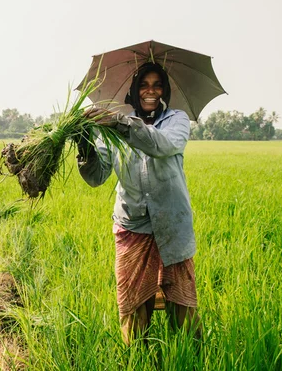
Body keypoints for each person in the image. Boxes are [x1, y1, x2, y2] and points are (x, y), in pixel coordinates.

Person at [77, 62, 201, 345]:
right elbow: (97, 176)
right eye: (144, 85)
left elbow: (163, 146)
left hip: (172, 223)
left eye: (157, 85)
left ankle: (190, 358)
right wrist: (84, 144)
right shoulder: (111, 127)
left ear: (165, 91)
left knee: (182, 306)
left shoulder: (176, 121)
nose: (150, 91)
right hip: (132, 225)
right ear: (134, 90)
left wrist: (120, 123)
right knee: (133, 307)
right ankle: (139, 358)